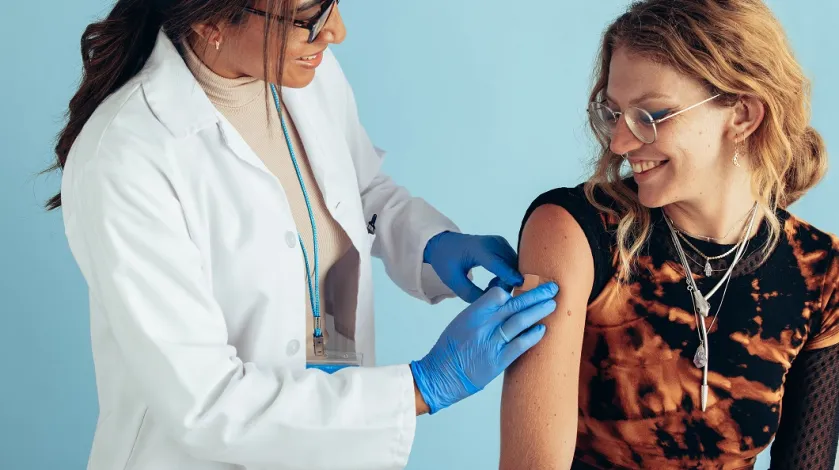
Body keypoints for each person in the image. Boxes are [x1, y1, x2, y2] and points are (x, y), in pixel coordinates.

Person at [48, 1, 559, 469]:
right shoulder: (127, 156)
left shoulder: (302, 72)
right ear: (209, 22)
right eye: (308, 16)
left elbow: (355, 192)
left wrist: (430, 243)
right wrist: (421, 388)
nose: (336, 31)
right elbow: (205, 403)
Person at [500, 0, 838, 469]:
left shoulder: (818, 270)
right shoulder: (573, 231)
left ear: (742, 115)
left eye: (651, 115)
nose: (619, 143)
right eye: (615, 113)